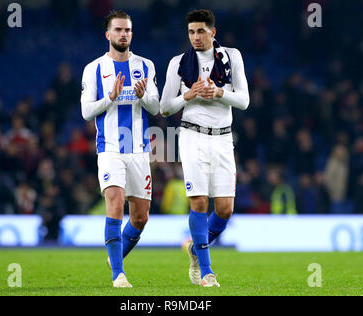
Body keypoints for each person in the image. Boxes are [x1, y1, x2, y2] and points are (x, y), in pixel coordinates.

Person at [160, 9, 249, 287]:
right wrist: (189, 94)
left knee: (224, 209)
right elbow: (164, 108)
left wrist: (220, 93)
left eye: (200, 31)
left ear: (213, 32)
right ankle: (206, 271)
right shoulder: (179, 62)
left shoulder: (232, 57)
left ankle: (195, 248)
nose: (195, 37)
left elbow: (244, 101)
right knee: (199, 201)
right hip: (192, 135)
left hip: (222, 137)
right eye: (191, 32)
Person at [80, 10, 160, 288]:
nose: (123, 34)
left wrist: (144, 95)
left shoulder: (145, 65)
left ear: (131, 33)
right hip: (110, 147)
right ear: (108, 34)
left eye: (127, 30)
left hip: (138, 149)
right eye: (118, 30)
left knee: (141, 216)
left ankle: (115, 257)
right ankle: (118, 275)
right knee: (115, 203)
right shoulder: (94, 69)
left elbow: (156, 107)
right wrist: (110, 97)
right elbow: (86, 111)